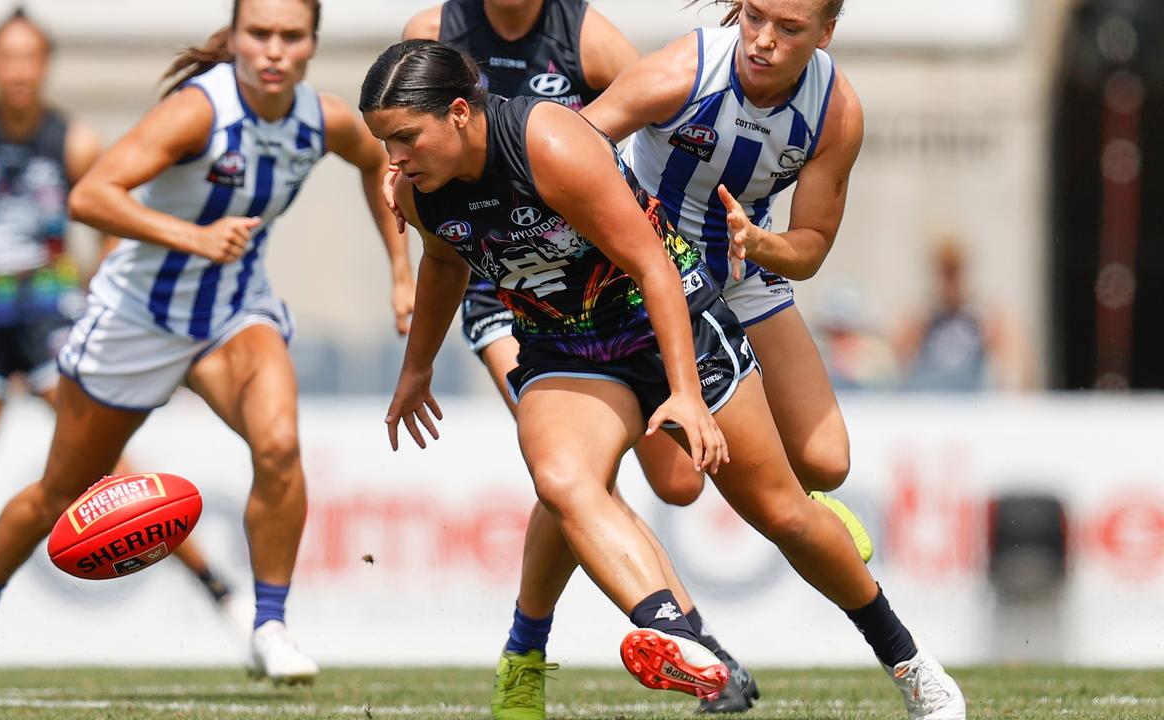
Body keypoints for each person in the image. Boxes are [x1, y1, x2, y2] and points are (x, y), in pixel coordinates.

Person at [364, 38, 966, 720]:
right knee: (562, 481)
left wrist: (684, 391)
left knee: (783, 514)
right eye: (386, 143)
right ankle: (676, 636)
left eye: (406, 138)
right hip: (563, 345)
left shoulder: (550, 147)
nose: (395, 159)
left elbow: (653, 267)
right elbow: (444, 265)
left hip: (663, 320)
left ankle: (910, 662)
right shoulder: (418, 194)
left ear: (462, 114)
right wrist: (416, 370)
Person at [0, 0, 413, 702]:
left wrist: (400, 268)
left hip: (234, 315)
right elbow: (91, 196)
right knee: (59, 492)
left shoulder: (323, 119)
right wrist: (193, 237)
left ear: (311, 45)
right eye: (259, 33)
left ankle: (269, 626)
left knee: (278, 446)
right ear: (236, 39)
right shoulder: (196, 114)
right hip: (136, 321)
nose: (273, 49)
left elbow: (378, 163)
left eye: (290, 36)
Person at [399, 1, 758, 715]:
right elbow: (408, 157)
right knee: (565, 475)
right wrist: (412, 344)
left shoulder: (585, 34)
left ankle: (705, 617)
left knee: (672, 484)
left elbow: (660, 128)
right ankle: (666, 646)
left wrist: (675, 224)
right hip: (505, 291)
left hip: (598, 277)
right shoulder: (429, 34)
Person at [0, 8, 244, 647]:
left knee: (111, 471)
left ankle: (217, 587)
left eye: (30, 58)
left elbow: (113, 225)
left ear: (45, 64)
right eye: (8, 58)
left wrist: (95, 298)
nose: (19, 71)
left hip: (51, 330)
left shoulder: (73, 140)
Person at [894, 237, 1031, 392]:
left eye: (955, 272)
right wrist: (915, 331)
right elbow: (895, 366)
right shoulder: (919, 317)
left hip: (968, 404)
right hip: (927, 400)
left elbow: (1014, 366)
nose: (950, 281)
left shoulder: (985, 317)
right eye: (945, 273)